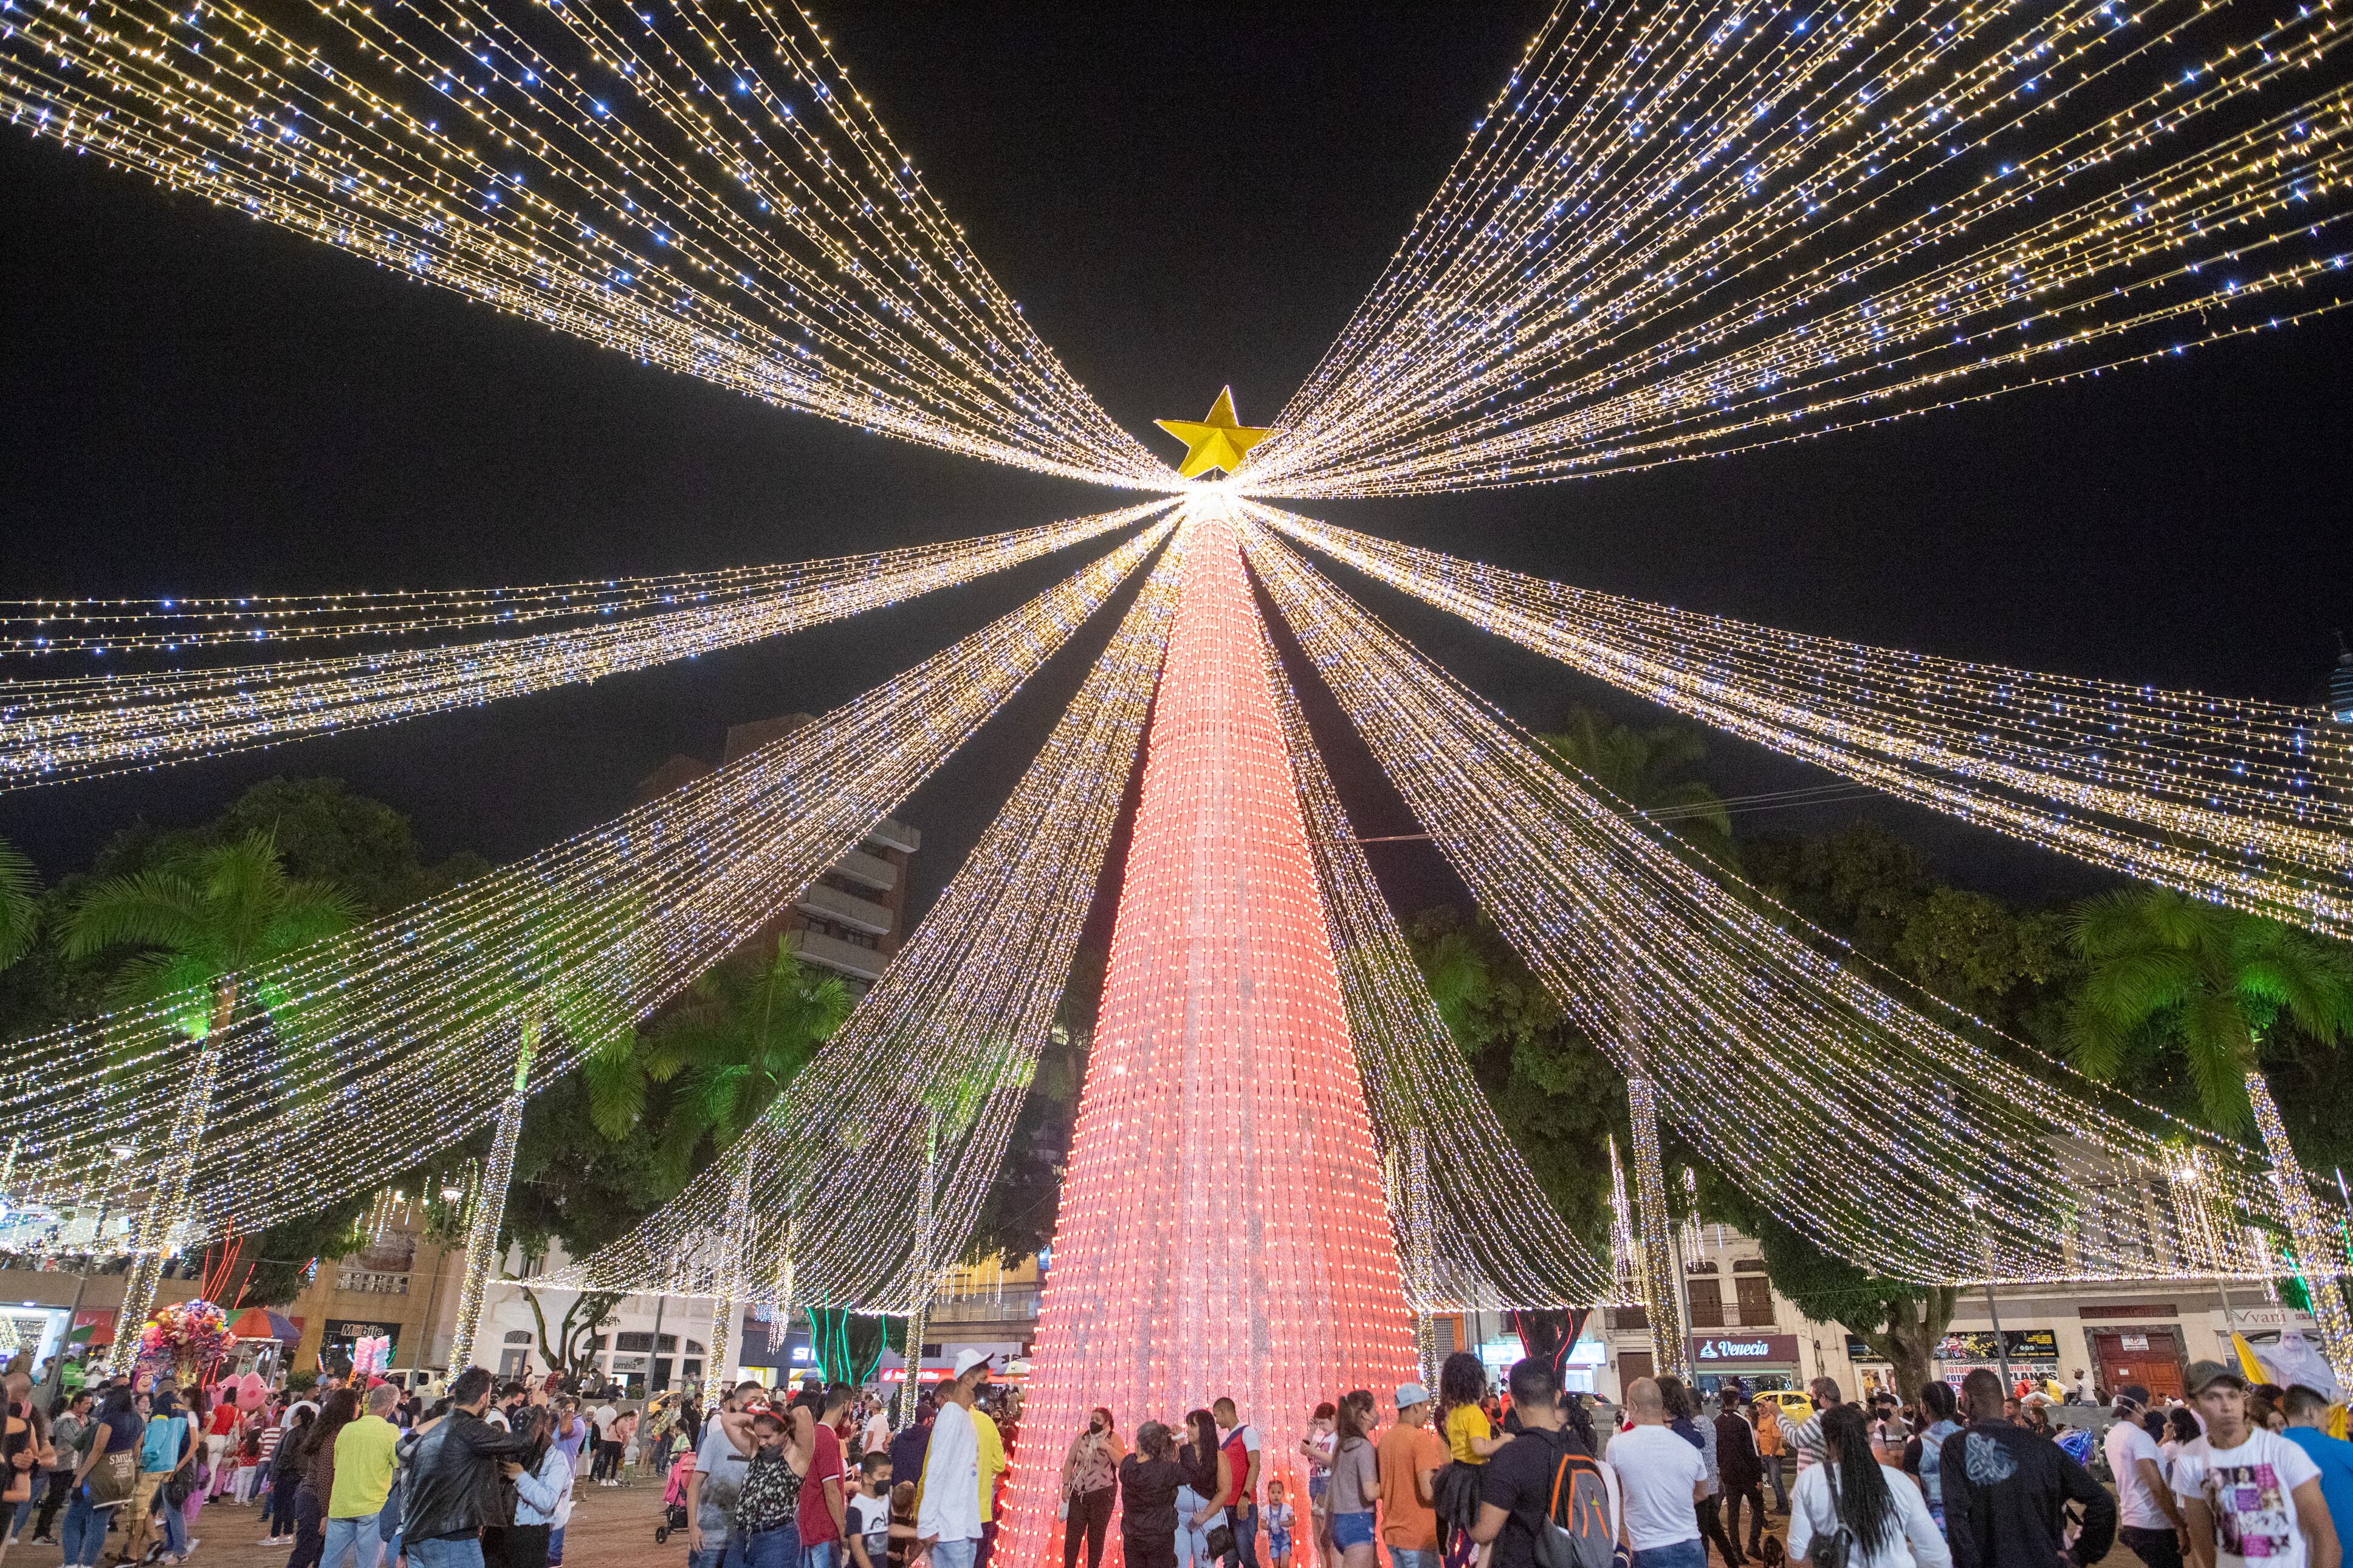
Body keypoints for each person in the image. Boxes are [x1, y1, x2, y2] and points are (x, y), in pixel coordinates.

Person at [1937, 1367, 2115, 1568]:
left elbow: (1957, 1520)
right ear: (2001, 1402)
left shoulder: (1957, 1447)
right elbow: (2103, 1501)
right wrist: (2080, 1555)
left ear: (1967, 1401)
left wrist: (2080, 1555)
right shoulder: (2042, 1446)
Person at [2171, 1362, 2339, 1568]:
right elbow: (2202, 1540)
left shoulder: (2282, 1451)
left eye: (2232, 1396)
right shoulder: (2191, 1458)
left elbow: (2324, 1537)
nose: (2227, 1406)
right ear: (2194, 1404)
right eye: (2213, 1397)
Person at [397, 1366, 540, 1568]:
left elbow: (413, 1481)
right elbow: (524, 1441)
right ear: (484, 1397)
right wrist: (540, 1412)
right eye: (489, 1396)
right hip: (451, 1539)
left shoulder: (433, 1431)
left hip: (418, 1537)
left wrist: (404, 1547)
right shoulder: (470, 1427)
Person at [1785, 1405, 1949, 1568]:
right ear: (1866, 1436)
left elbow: (1797, 1551)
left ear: (1828, 1440)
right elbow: (1938, 1554)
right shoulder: (1899, 1481)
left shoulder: (1810, 1480)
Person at [1594, 1377, 1708, 1568]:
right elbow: (1703, 1492)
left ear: (1634, 1407)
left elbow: (1614, 1488)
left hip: (1650, 1549)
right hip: (1692, 1546)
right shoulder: (1688, 1447)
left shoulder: (1618, 1446)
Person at [916, 1351, 991, 1568]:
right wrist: (929, 1524)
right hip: (951, 1531)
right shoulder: (950, 1415)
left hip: (964, 1528)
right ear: (967, 1379)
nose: (987, 1383)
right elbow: (937, 1470)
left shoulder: (965, 1417)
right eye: (982, 1378)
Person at [2107, 1384, 2191, 1568]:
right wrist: (2178, 1524)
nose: (2151, 1411)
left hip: (2133, 1521)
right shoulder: (2138, 1437)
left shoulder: (2114, 1435)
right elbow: (2156, 1486)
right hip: (2153, 1523)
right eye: (2149, 1405)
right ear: (2138, 1406)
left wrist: (2164, 1439)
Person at [1437, 1354, 1508, 1568]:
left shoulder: (1454, 1413)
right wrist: (1505, 1440)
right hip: (1476, 1476)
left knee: (1457, 1530)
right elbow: (1480, 1449)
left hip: (1456, 1474)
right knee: (1482, 1534)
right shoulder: (1475, 1415)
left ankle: (1452, 1564)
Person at [1660, 1377, 1740, 1568]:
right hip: (1708, 1484)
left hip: (1702, 1487)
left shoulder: (1696, 1425)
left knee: (1703, 1535)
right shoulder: (1708, 1422)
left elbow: (1698, 1450)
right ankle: (1732, 1563)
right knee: (1716, 1531)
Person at [323, 1384, 402, 1568]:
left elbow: (337, 1465)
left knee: (329, 1562)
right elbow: (400, 1466)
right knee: (367, 1564)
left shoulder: (347, 1430)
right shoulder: (391, 1432)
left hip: (341, 1505)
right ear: (391, 1406)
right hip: (373, 1507)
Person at [720, 1406, 808, 1568]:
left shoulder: (797, 1457)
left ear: (785, 1432)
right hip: (742, 1537)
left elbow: (803, 1413)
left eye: (768, 1436)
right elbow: (727, 1421)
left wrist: (776, 1418)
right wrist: (759, 1420)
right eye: (758, 1435)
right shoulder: (756, 1450)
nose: (762, 1442)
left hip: (776, 1540)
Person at [63, 1385, 140, 1568]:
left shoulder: (109, 1420)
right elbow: (136, 1453)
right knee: (100, 1522)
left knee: (73, 1520)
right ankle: (88, 1565)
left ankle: (72, 1563)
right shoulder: (138, 1420)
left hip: (99, 1479)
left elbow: (97, 1451)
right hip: (121, 1478)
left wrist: (79, 1478)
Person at [1378, 1383, 1445, 1568]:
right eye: (1425, 1407)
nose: (1426, 1414)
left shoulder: (1385, 1440)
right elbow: (1428, 1492)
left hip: (1393, 1536)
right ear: (1415, 1406)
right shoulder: (1420, 1439)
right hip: (1419, 1537)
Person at [2281, 1385, 2353, 1542]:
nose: (2329, 1424)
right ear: (2311, 1412)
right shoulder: (2335, 1449)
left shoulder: (2271, 1452)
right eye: (2326, 1415)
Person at [1060, 1408, 1122, 1568]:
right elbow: (1070, 1461)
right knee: (1072, 1539)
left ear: (1107, 1423)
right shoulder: (1083, 1437)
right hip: (1078, 1496)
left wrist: (1107, 1448)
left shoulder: (1114, 1439)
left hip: (1101, 1497)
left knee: (1096, 1540)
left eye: (1098, 1420)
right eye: (1092, 1419)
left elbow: (1122, 1463)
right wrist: (1066, 1484)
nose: (1093, 1422)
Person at [1122, 1423, 1191, 1568]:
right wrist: (1182, 1443)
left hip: (1132, 1536)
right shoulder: (1167, 1470)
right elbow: (1192, 1472)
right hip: (1159, 1538)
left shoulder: (1127, 1465)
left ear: (1139, 1443)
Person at [1901, 1381, 1963, 1537]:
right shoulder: (1971, 1439)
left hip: (1937, 1530)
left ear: (1924, 1408)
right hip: (1972, 1524)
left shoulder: (1916, 1448)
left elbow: (1915, 1500)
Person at [33, 1390, 92, 1545]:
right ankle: (40, 1534)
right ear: (76, 1404)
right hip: (62, 1467)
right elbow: (76, 1441)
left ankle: (48, 1533)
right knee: (55, 1499)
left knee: (67, 1498)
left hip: (74, 1467)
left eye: (90, 1403)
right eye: (86, 1403)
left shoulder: (84, 1419)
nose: (89, 1406)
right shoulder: (66, 1421)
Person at [803, 1386, 852, 1568]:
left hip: (812, 1528)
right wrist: (842, 1529)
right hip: (824, 1530)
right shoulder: (827, 1438)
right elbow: (830, 1489)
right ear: (846, 1404)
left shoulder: (818, 1434)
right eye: (852, 1406)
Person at [1325, 1399, 1377, 1568]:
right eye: (1374, 1410)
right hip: (1359, 1523)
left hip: (1338, 1523)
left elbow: (1332, 1489)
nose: (1377, 1415)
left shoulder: (1341, 1446)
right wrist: (1394, 1483)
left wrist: (1327, 1525)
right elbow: (1370, 1492)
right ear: (1365, 1414)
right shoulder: (1364, 1447)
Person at [1214, 1399, 1264, 1568]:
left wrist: (1245, 1495)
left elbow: (1255, 1464)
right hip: (1226, 1506)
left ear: (1224, 1411)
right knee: (1229, 1560)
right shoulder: (1226, 1439)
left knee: (1247, 1556)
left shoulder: (1248, 1432)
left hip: (1243, 1504)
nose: (1217, 1421)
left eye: (1217, 1416)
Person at [1717, 1390, 1767, 1561]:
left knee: (1733, 1513)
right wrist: (1758, 1478)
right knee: (1758, 1507)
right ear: (1737, 1402)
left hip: (1728, 1475)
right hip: (1746, 1475)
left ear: (1723, 1401)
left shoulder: (1716, 1422)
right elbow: (1753, 1453)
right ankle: (1753, 1544)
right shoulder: (1743, 1422)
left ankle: (1737, 1551)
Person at [268, 1408, 315, 1547]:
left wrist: (275, 1474)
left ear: (299, 1417)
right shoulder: (310, 1434)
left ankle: (275, 1534)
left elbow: (285, 1454)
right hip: (299, 1474)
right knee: (289, 1504)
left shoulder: (294, 1433)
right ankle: (288, 1533)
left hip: (287, 1472)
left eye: (294, 1415)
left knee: (280, 1504)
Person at [974, 1388, 1009, 1568]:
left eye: (998, 1417)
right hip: (986, 1488)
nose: (995, 1420)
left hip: (995, 1488)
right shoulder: (987, 1430)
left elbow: (1003, 1465)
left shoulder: (1007, 1437)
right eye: (994, 1416)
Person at [847, 1455, 893, 1568]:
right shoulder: (857, 1508)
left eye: (889, 1475)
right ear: (867, 1478)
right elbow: (857, 1547)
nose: (887, 1480)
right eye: (882, 1476)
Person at [1795, 1380, 1844, 1476]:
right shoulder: (1845, 1414)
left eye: (1813, 1397)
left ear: (1823, 1397)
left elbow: (1798, 1440)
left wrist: (1778, 1414)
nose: (1811, 1401)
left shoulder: (1821, 1416)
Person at [1754, 1392, 1790, 1516]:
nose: (1761, 1408)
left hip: (1772, 1455)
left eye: (1763, 1406)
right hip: (1765, 1454)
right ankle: (1780, 1506)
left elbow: (1776, 1437)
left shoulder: (1772, 1419)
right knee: (1773, 1481)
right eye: (1759, 1406)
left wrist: (1772, 1453)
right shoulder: (1758, 1421)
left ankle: (1784, 1507)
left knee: (1776, 1481)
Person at [1265, 1481, 1296, 1568]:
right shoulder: (1266, 1510)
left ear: (1283, 1494)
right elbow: (1262, 1524)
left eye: (1279, 1492)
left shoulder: (1287, 1508)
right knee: (1276, 1565)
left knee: (1284, 1565)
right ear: (1269, 1494)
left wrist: (1283, 1523)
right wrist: (1269, 1526)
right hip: (1273, 1541)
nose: (1276, 1495)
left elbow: (1293, 1522)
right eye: (1273, 1492)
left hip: (1285, 1539)